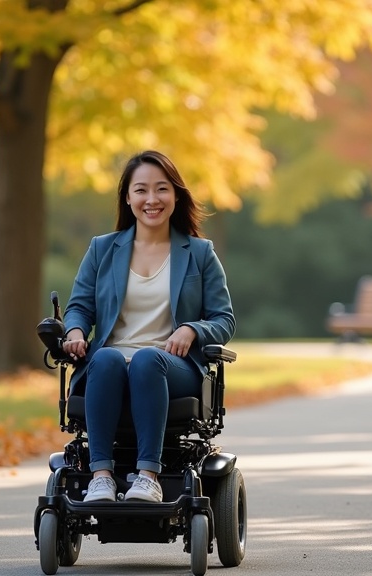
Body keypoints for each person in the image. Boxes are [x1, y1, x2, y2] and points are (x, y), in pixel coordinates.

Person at [61, 150, 236, 503]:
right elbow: (79, 307)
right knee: (106, 358)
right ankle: (101, 477)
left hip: (172, 366)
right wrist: (75, 332)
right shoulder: (102, 249)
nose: (152, 199)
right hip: (109, 365)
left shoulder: (200, 253)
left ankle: (148, 477)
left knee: (146, 359)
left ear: (176, 195)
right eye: (141, 190)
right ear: (128, 198)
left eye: (161, 189)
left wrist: (193, 330)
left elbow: (224, 319)